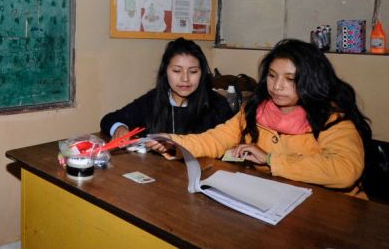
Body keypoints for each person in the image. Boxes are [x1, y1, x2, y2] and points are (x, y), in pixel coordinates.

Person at [151, 39, 372, 197]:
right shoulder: (254, 110)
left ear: (311, 81)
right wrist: (172, 141)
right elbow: (215, 139)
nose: (277, 86)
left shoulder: (333, 119)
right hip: (276, 199)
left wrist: (269, 160)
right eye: (272, 76)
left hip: (335, 211)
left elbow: (345, 170)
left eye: (290, 79)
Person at [100, 38, 234, 139]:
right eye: (177, 71)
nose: (185, 79)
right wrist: (120, 128)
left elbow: (233, 141)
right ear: (165, 72)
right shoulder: (153, 100)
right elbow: (109, 120)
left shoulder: (217, 105)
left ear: (202, 74)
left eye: (193, 72)